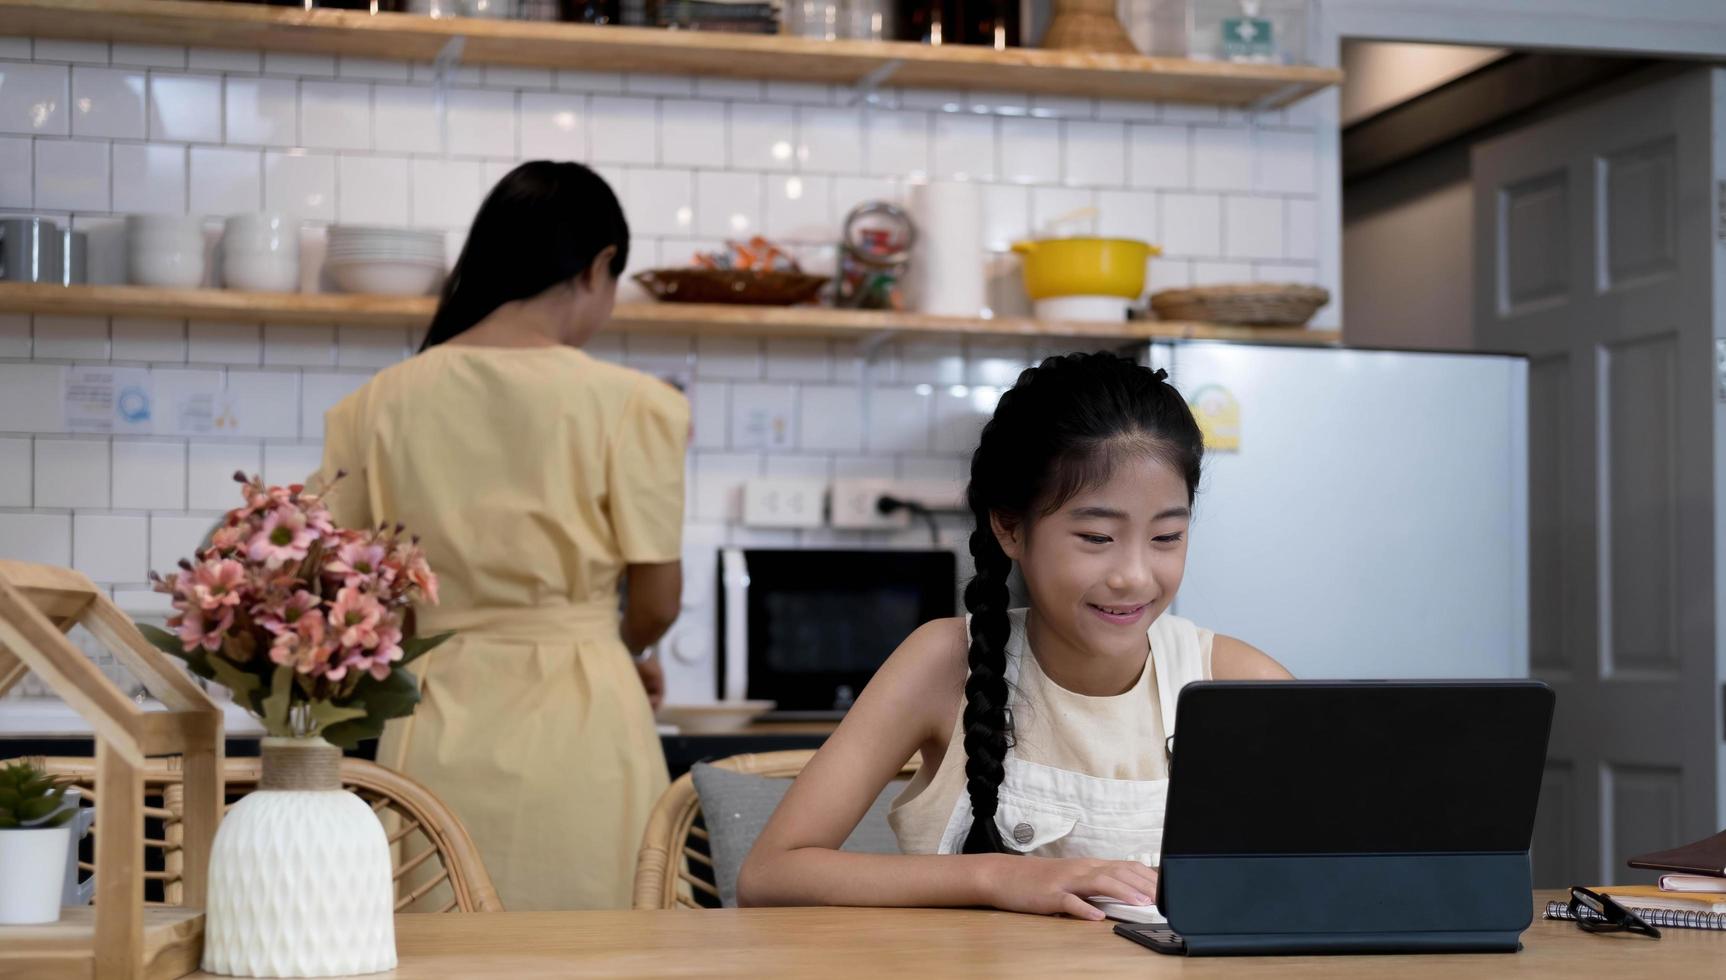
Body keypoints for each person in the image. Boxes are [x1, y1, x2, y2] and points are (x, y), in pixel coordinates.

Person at [737, 351, 1292, 918]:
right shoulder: (942, 663)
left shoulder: (1240, 683)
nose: (1134, 576)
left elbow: (1353, 872)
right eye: (1097, 537)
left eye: (1167, 536)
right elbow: (770, 873)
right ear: (1009, 527)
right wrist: (994, 874)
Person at [313, 161, 688, 910]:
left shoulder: (373, 404)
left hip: (436, 715)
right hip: (588, 716)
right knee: (601, 940)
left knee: (437, 932)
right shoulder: (636, 405)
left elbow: (344, 591)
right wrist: (623, 649)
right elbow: (656, 600)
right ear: (599, 266)